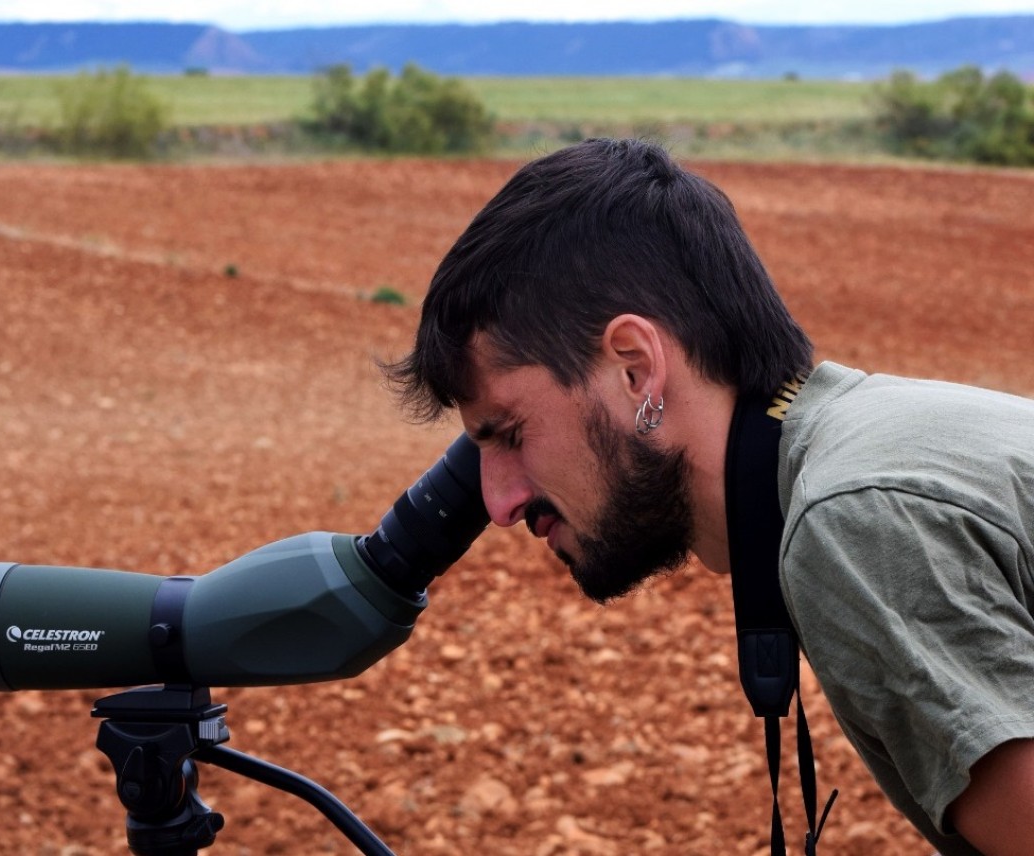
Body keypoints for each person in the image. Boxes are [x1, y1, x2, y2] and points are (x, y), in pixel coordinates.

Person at [383, 138, 1034, 856]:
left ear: (635, 369)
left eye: (507, 433)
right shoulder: (874, 439)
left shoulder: (851, 516)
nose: (499, 502)